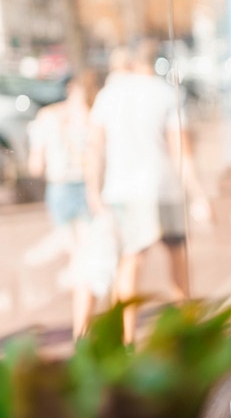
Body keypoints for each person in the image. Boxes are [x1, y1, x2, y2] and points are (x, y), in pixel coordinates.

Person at [86, 39, 210, 344]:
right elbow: (181, 150)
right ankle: (185, 334)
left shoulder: (108, 95)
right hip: (162, 186)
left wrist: (94, 191)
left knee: (129, 265)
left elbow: (94, 148)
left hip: (122, 190)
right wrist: (197, 193)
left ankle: (126, 340)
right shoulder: (166, 93)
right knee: (177, 261)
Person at [27, 69, 99, 338]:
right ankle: (83, 328)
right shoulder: (91, 116)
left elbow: (36, 165)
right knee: (85, 260)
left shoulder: (47, 117)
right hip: (84, 188)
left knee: (79, 258)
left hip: (59, 189)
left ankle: (83, 325)